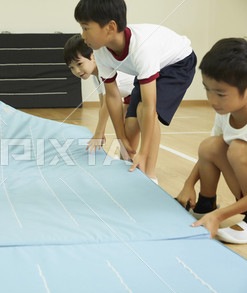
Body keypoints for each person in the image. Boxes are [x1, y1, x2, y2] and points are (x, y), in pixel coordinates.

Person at [74, 0, 196, 184]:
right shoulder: (100, 50)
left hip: (177, 64)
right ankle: (129, 168)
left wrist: (143, 153)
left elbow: (149, 106)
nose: (83, 35)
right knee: (129, 127)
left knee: (142, 111)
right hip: (150, 68)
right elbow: (113, 96)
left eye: (86, 28)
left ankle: (150, 176)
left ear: (110, 27)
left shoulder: (141, 47)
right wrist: (121, 139)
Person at [176, 38, 247, 244]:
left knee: (238, 149)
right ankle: (205, 205)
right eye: (207, 89)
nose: (212, 100)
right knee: (211, 145)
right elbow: (209, 152)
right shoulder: (226, 109)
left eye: (220, 93)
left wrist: (221, 217)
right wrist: (188, 185)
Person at [63, 34, 134, 153]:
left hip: (139, 93)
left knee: (130, 131)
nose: (77, 71)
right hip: (128, 97)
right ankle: (127, 160)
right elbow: (103, 106)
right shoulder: (96, 77)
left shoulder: (105, 70)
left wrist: (98, 133)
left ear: (93, 56)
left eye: (79, 64)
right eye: (72, 68)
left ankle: (136, 161)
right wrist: (102, 132)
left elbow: (108, 104)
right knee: (124, 133)